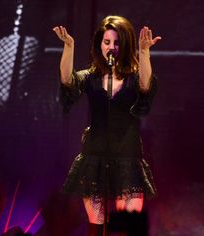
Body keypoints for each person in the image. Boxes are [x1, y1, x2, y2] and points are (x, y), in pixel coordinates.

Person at [53, 15, 161, 236]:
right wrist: (69, 47)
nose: (111, 47)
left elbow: (146, 87)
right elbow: (67, 82)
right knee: (96, 226)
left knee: (127, 227)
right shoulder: (90, 77)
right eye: (107, 42)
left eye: (117, 42)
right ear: (99, 44)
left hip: (127, 157)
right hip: (95, 156)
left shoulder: (134, 77)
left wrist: (144, 52)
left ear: (126, 44)